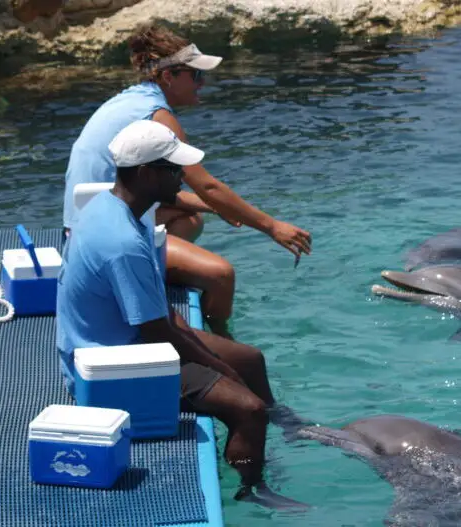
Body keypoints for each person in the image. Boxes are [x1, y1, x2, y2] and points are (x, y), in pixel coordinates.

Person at [56, 119, 308, 508]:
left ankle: (278, 429)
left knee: (250, 359)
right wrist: (220, 370)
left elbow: (156, 317)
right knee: (248, 408)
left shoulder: (114, 205)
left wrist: (219, 356)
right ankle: (251, 486)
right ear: (144, 173)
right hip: (115, 363)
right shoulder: (122, 241)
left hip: (130, 334)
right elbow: (156, 333)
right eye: (174, 170)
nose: (183, 178)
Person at [61, 22, 312, 339]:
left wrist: (218, 209)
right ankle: (221, 340)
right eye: (195, 75)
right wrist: (272, 227)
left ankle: (154, 278)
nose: (202, 83)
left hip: (86, 223)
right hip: (100, 239)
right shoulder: (158, 117)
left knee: (191, 220)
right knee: (221, 275)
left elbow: (153, 189)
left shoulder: (131, 100)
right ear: (168, 76)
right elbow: (207, 186)